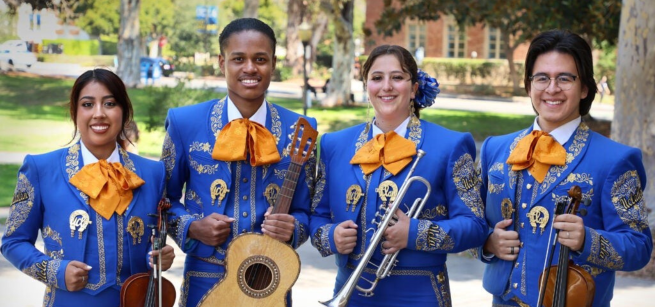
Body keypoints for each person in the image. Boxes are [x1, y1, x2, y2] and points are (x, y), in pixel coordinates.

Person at [476, 30, 652, 307]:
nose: (552, 88)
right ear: (529, 85)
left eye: (565, 78)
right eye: (542, 78)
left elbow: (639, 247)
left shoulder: (616, 159)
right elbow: (471, 221)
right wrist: (487, 242)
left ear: (584, 88)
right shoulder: (493, 149)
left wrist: (587, 240)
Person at [309, 45, 488, 306]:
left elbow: (476, 226)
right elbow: (317, 215)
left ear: (414, 88)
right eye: (377, 78)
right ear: (366, 86)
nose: (387, 87)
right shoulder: (334, 144)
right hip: (350, 291)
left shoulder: (450, 144)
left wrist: (414, 232)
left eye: (397, 77)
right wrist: (330, 236)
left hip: (420, 293)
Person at [160, 18, 317, 307]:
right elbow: (163, 201)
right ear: (222, 63)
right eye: (238, 59)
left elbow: (309, 211)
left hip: (268, 285)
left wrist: (293, 229)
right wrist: (192, 227)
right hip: (203, 282)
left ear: (273, 63)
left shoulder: (300, 130)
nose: (250, 68)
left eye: (260, 59)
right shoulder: (185, 123)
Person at [1, 69, 175, 307]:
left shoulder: (152, 174)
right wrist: (55, 272)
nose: (99, 114)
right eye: (87, 104)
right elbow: (13, 242)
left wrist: (157, 257)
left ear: (124, 111)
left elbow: (150, 241)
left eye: (110, 103)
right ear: (75, 112)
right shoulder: (41, 169)